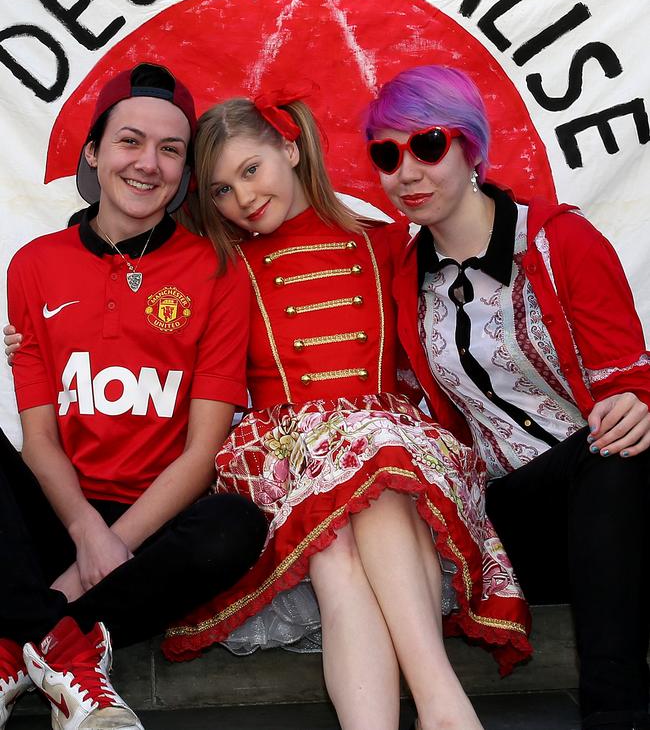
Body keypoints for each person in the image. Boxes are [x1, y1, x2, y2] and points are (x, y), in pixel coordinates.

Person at [157, 87, 533, 730]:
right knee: (345, 514)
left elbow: (461, 325)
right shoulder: (221, 265)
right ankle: (443, 707)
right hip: (287, 452)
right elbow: (148, 326)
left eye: (251, 170)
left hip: (391, 447)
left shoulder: (387, 244)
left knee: (366, 489)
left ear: (291, 145)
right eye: (221, 190)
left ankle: (419, 711)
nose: (243, 198)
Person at [363, 64, 650, 730]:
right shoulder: (403, 272)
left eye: (427, 146)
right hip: (506, 518)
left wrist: (639, 398)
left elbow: (627, 377)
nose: (407, 171)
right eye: (386, 154)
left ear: (470, 146)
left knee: (611, 457)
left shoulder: (558, 242)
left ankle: (618, 716)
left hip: (601, 490)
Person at [0, 63, 267, 730]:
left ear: (185, 172)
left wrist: (110, 547)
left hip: (157, 523)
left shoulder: (218, 269)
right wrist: (86, 533)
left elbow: (204, 453)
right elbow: (39, 441)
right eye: (129, 141)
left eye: (170, 149)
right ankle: (65, 652)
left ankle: (24, 640)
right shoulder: (34, 265)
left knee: (236, 526)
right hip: (60, 514)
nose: (148, 163)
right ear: (94, 152)